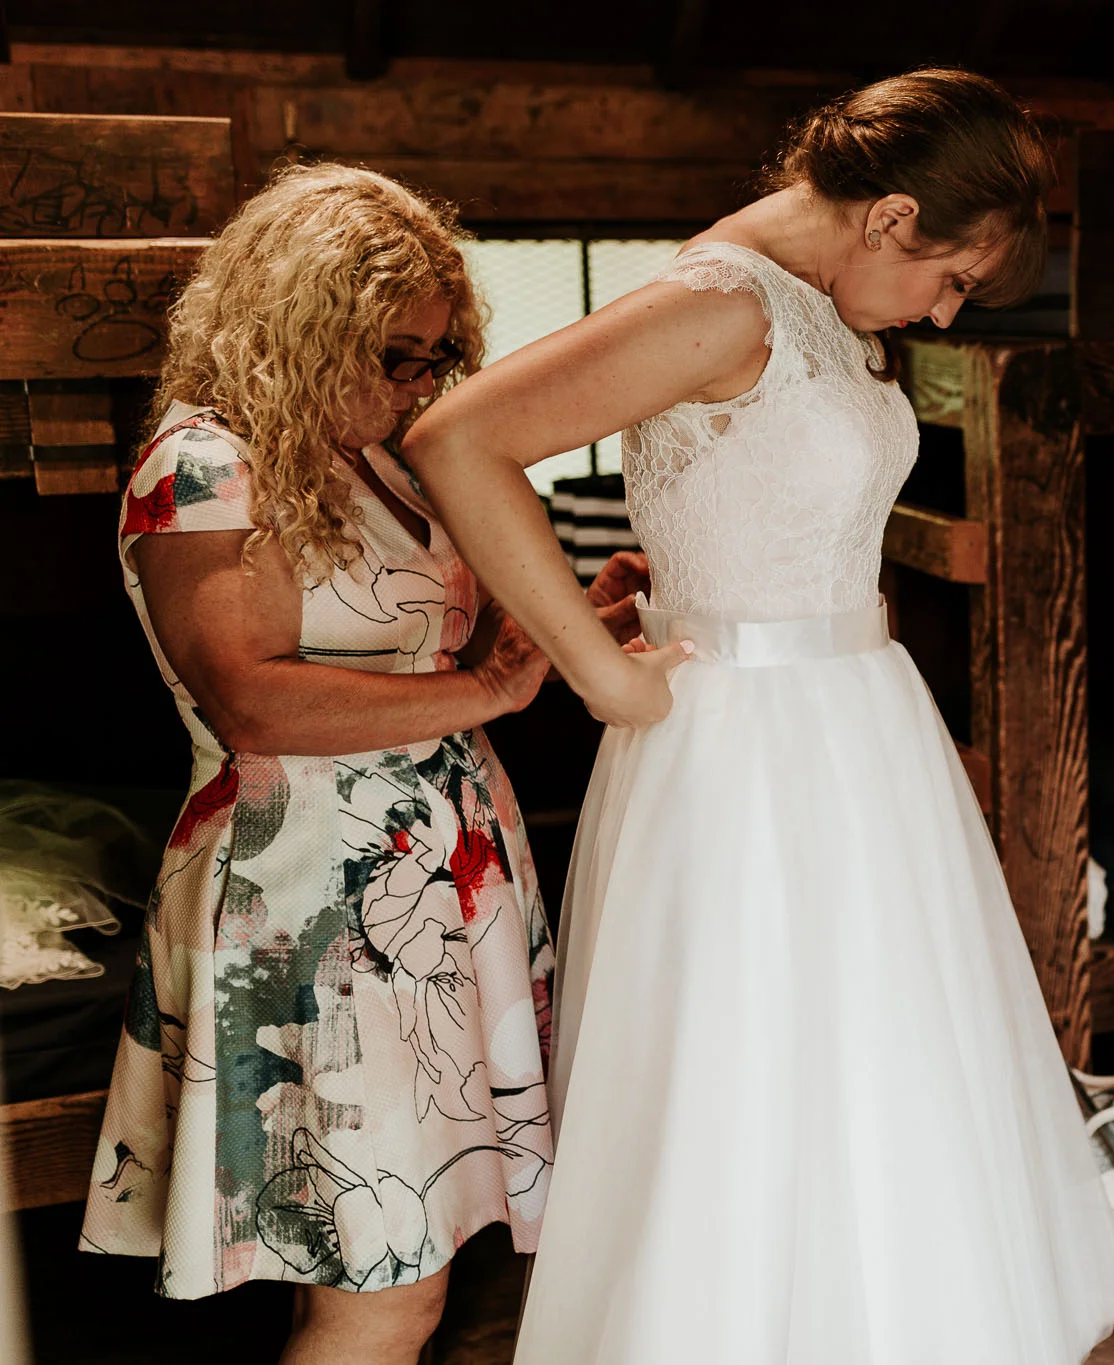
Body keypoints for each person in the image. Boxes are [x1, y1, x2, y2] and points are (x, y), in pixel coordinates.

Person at [402, 69, 1114, 1363]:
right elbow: (462, 438)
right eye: (951, 277)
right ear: (892, 216)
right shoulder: (717, 305)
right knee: (746, 1052)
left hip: (854, 722)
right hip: (743, 736)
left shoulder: (815, 306)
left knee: (868, 1054)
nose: (944, 308)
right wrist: (596, 666)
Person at [78, 163, 646, 1365]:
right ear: (303, 322)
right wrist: (484, 689)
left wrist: (566, 618)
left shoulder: (378, 458)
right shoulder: (209, 466)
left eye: (438, 358)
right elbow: (251, 698)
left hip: (431, 898)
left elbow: (422, 637)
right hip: (314, 910)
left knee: (380, 1262)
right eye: (396, 354)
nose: (421, 383)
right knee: (390, 1282)